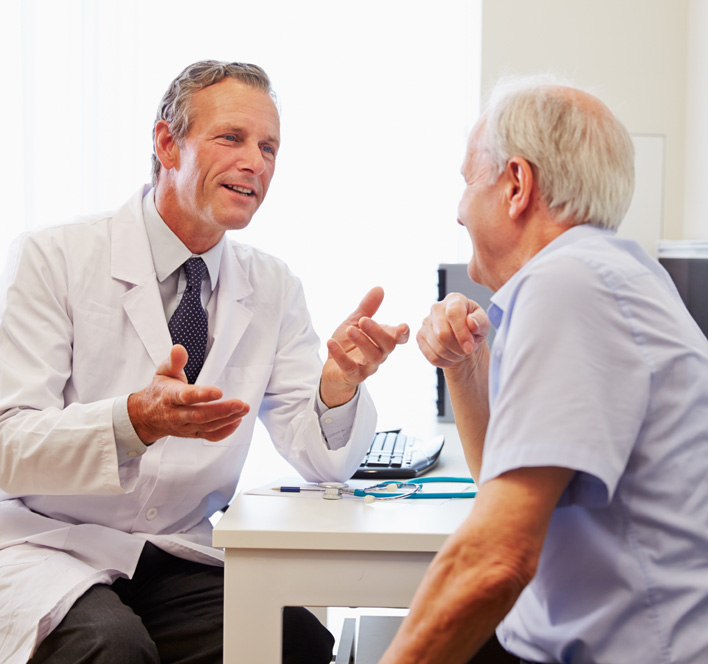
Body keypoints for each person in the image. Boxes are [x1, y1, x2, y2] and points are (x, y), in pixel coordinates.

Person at [0, 60, 409, 664]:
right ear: (168, 143)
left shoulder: (272, 285)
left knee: (295, 642)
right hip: (51, 547)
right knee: (111, 648)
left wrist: (338, 387)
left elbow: (320, 457)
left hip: (174, 551)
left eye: (270, 147)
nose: (257, 163)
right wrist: (133, 421)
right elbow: (9, 444)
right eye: (232, 138)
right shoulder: (55, 258)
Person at [381, 76, 708, 664]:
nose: (458, 212)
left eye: (465, 183)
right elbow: (500, 492)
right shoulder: (612, 273)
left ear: (515, 186)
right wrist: (464, 366)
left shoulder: (568, 285)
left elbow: (495, 560)